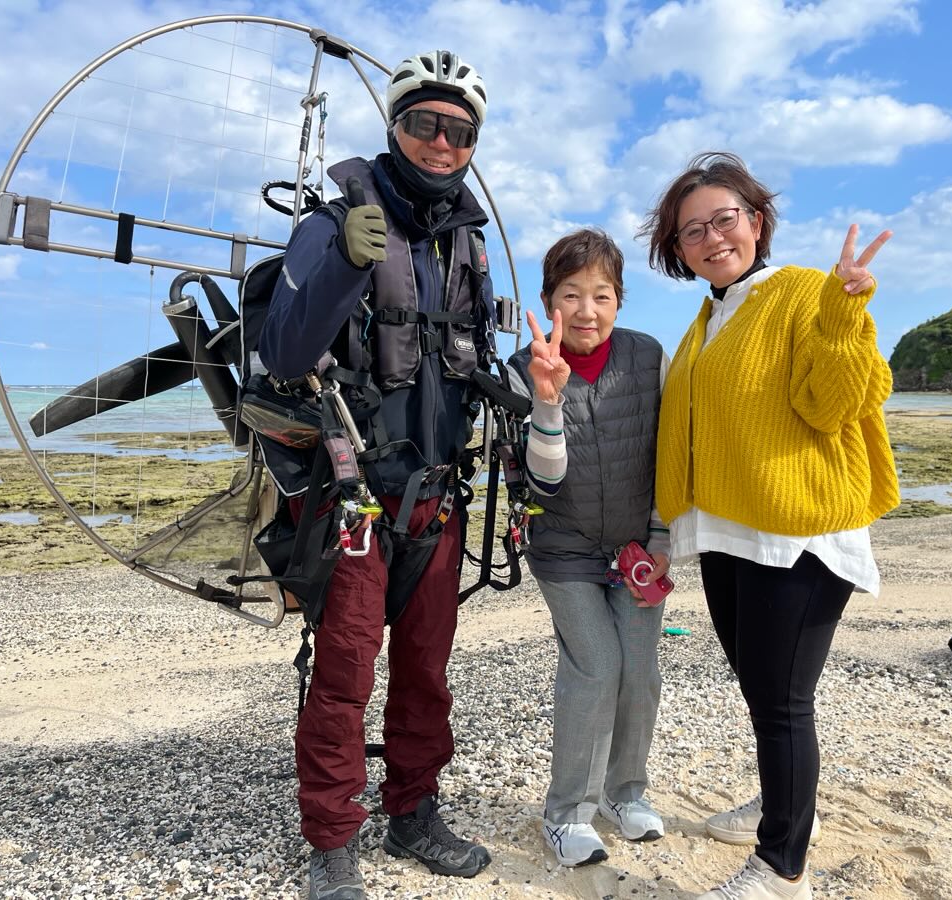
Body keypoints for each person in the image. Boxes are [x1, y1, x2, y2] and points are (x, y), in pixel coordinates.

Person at [258, 50, 496, 900]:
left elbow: (473, 362)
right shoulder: (332, 223)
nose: (440, 141)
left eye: (458, 130)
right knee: (346, 672)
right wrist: (346, 266)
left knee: (427, 670)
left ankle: (414, 811)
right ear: (394, 126)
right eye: (424, 122)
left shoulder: (467, 247)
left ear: (473, 144)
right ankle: (331, 841)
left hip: (436, 495)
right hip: (355, 496)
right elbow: (285, 352)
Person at [638, 152, 900, 900]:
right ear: (678, 252)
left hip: (799, 535)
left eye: (725, 219)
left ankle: (783, 866)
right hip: (727, 532)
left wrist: (848, 307)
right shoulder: (708, 316)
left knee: (784, 702)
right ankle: (793, 810)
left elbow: (834, 402)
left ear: (757, 222)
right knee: (763, 691)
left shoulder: (804, 294)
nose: (712, 237)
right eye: (692, 231)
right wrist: (664, 529)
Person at [505, 228, 671, 868]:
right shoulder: (527, 367)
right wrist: (547, 402)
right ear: (549, 301)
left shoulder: (648, 357)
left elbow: (669, 455)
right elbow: (544, 477)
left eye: (601, 295)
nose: (585, 311)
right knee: (595, 667)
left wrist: (661, 536)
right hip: (565, 547)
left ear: (620, 300)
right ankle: (565, 812)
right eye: (570, 295)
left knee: (640, 672)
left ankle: (625, 793)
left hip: (638, 548)